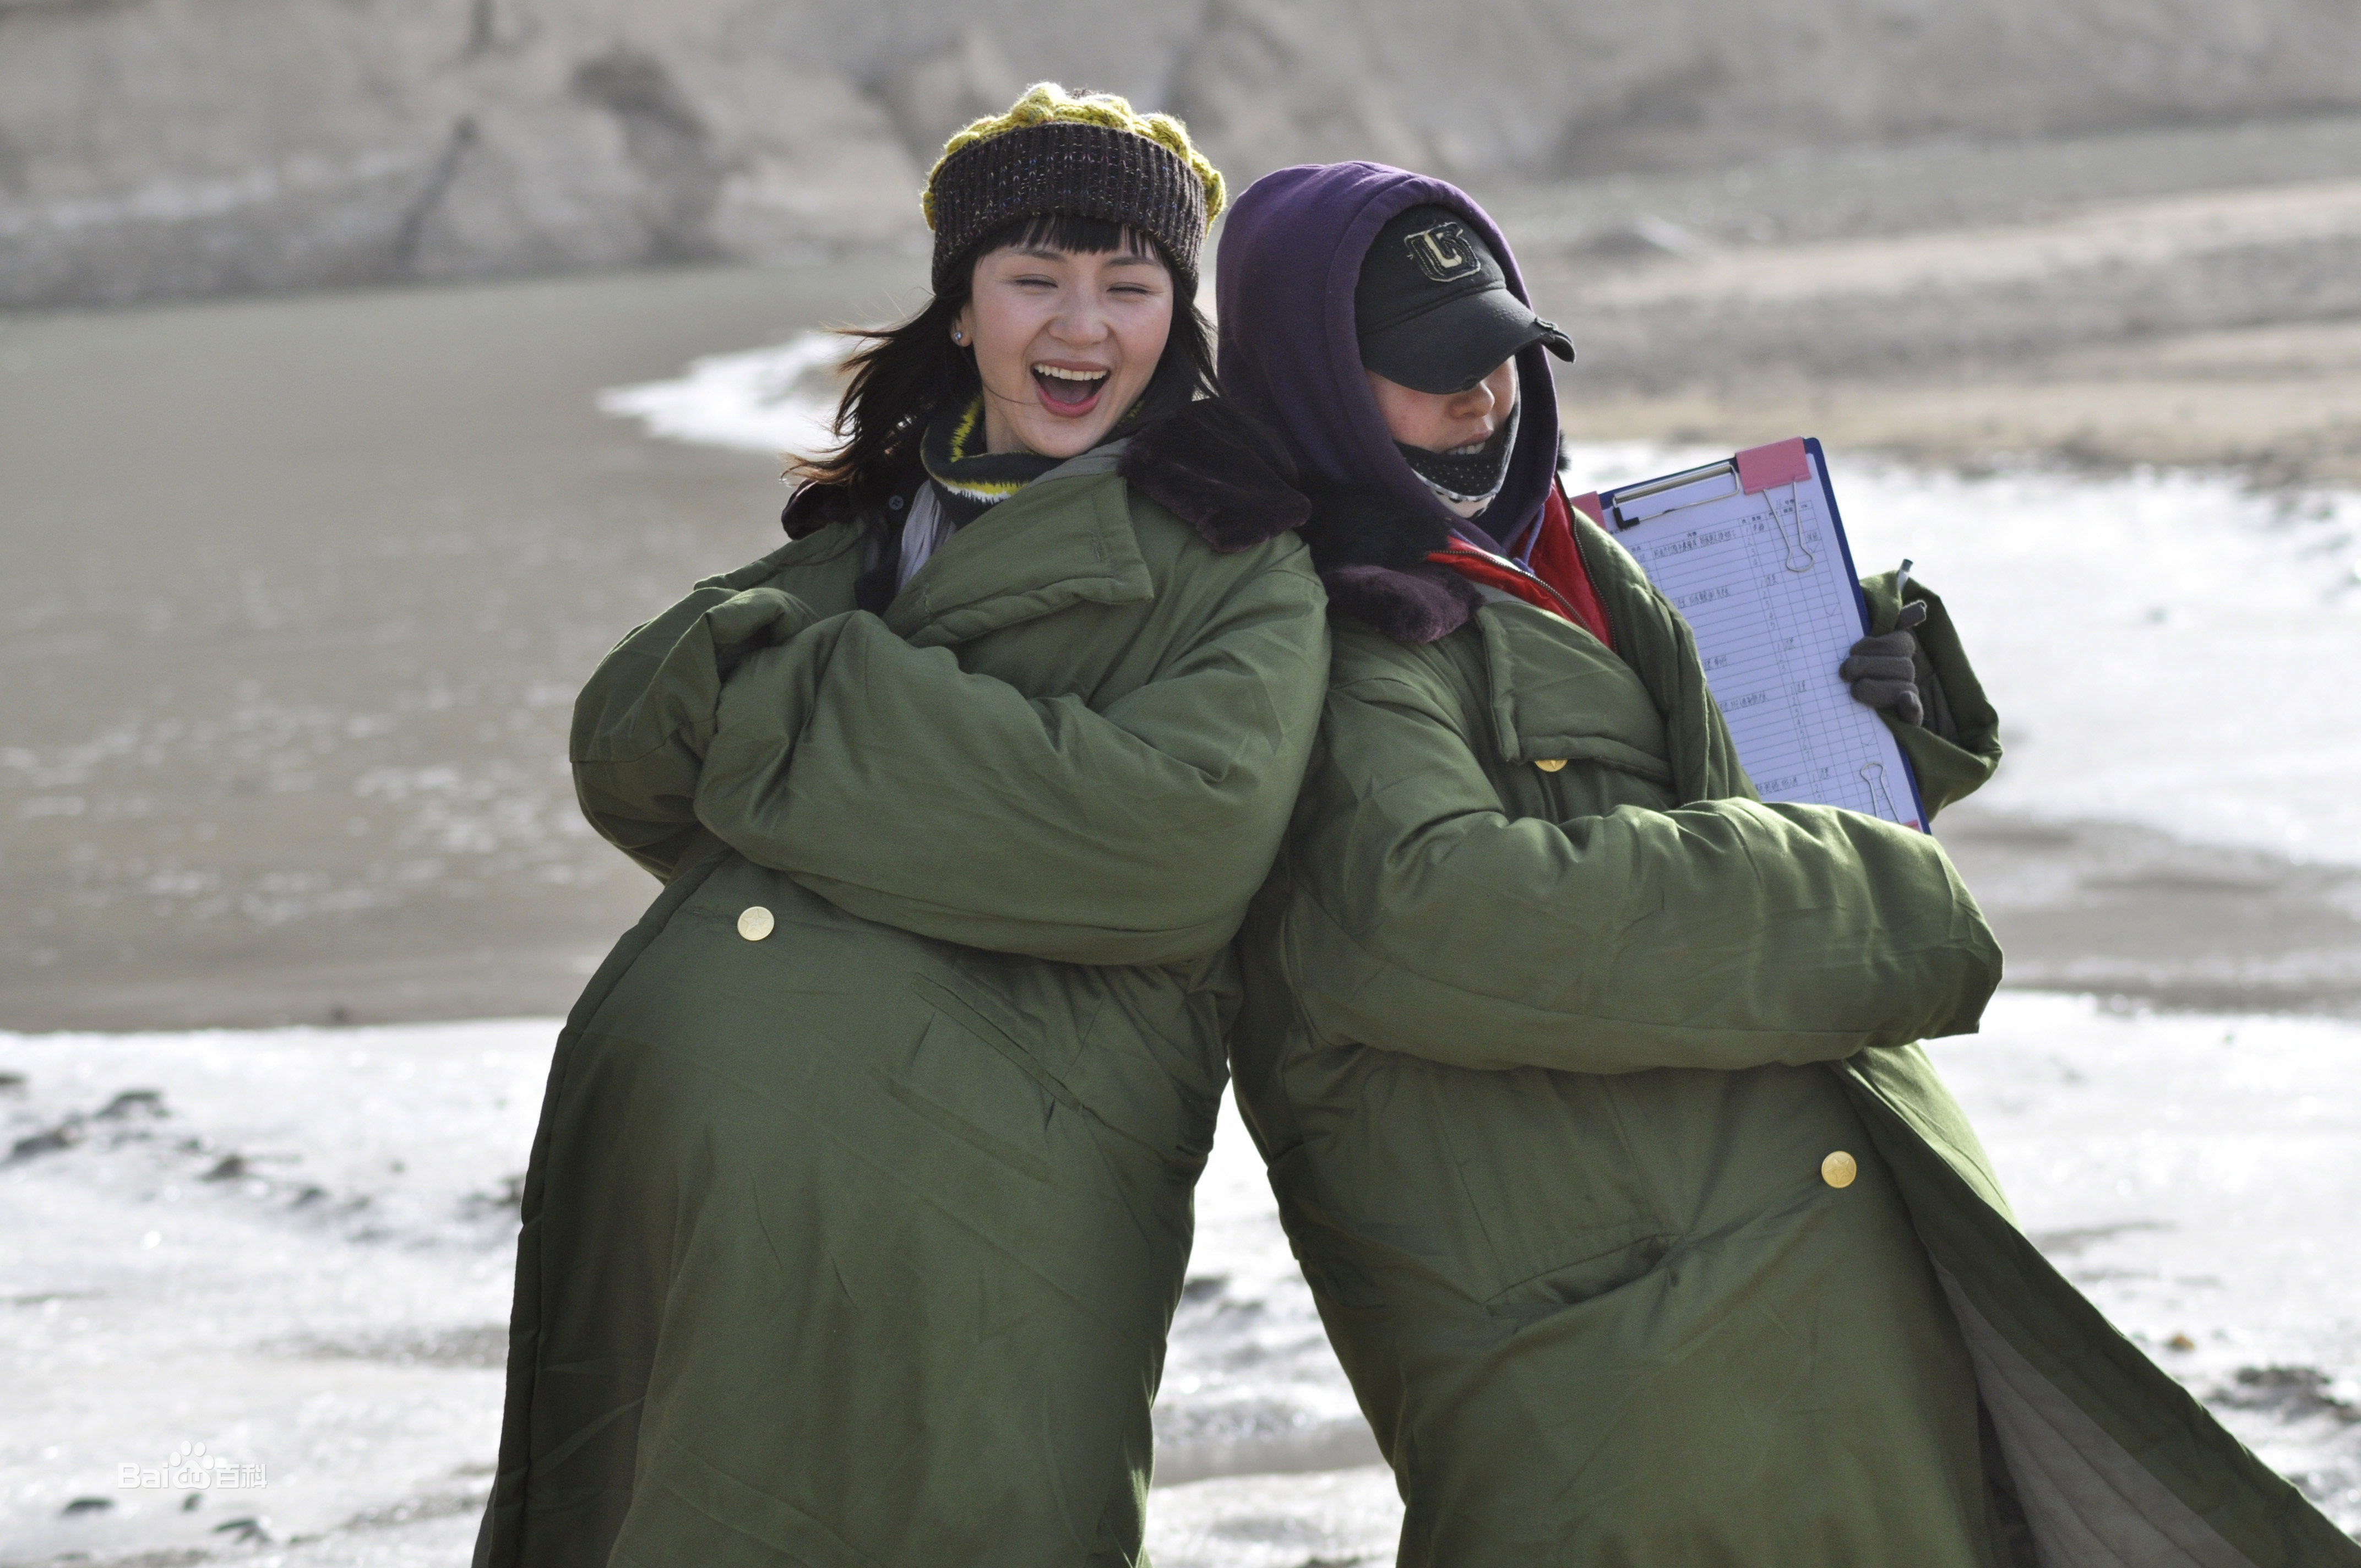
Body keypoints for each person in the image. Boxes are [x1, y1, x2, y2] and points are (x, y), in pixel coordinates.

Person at [1217, 161, 2359, 1567]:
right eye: (1427, 369)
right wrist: (1879, 903)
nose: (1484, 399)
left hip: (1800, 1311)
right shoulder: (1326, 629)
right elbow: (1442, 911)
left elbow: (1697, 799)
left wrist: (1881, 720)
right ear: (1313, 378)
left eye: (1507, 354)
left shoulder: (1562, 552)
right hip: (1626, 1390)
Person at [472, 85, 1329, 1568]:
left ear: (1176, 317)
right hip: (703, 1206)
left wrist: (813, 716)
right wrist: (920, 799)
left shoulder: (1239, 566)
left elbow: (1166, 843)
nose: (1082, 327)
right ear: (961, 308)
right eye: (1034, 280)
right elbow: (626, 743)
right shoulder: (876, 530)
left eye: (1129, 285)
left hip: (997, 1202)